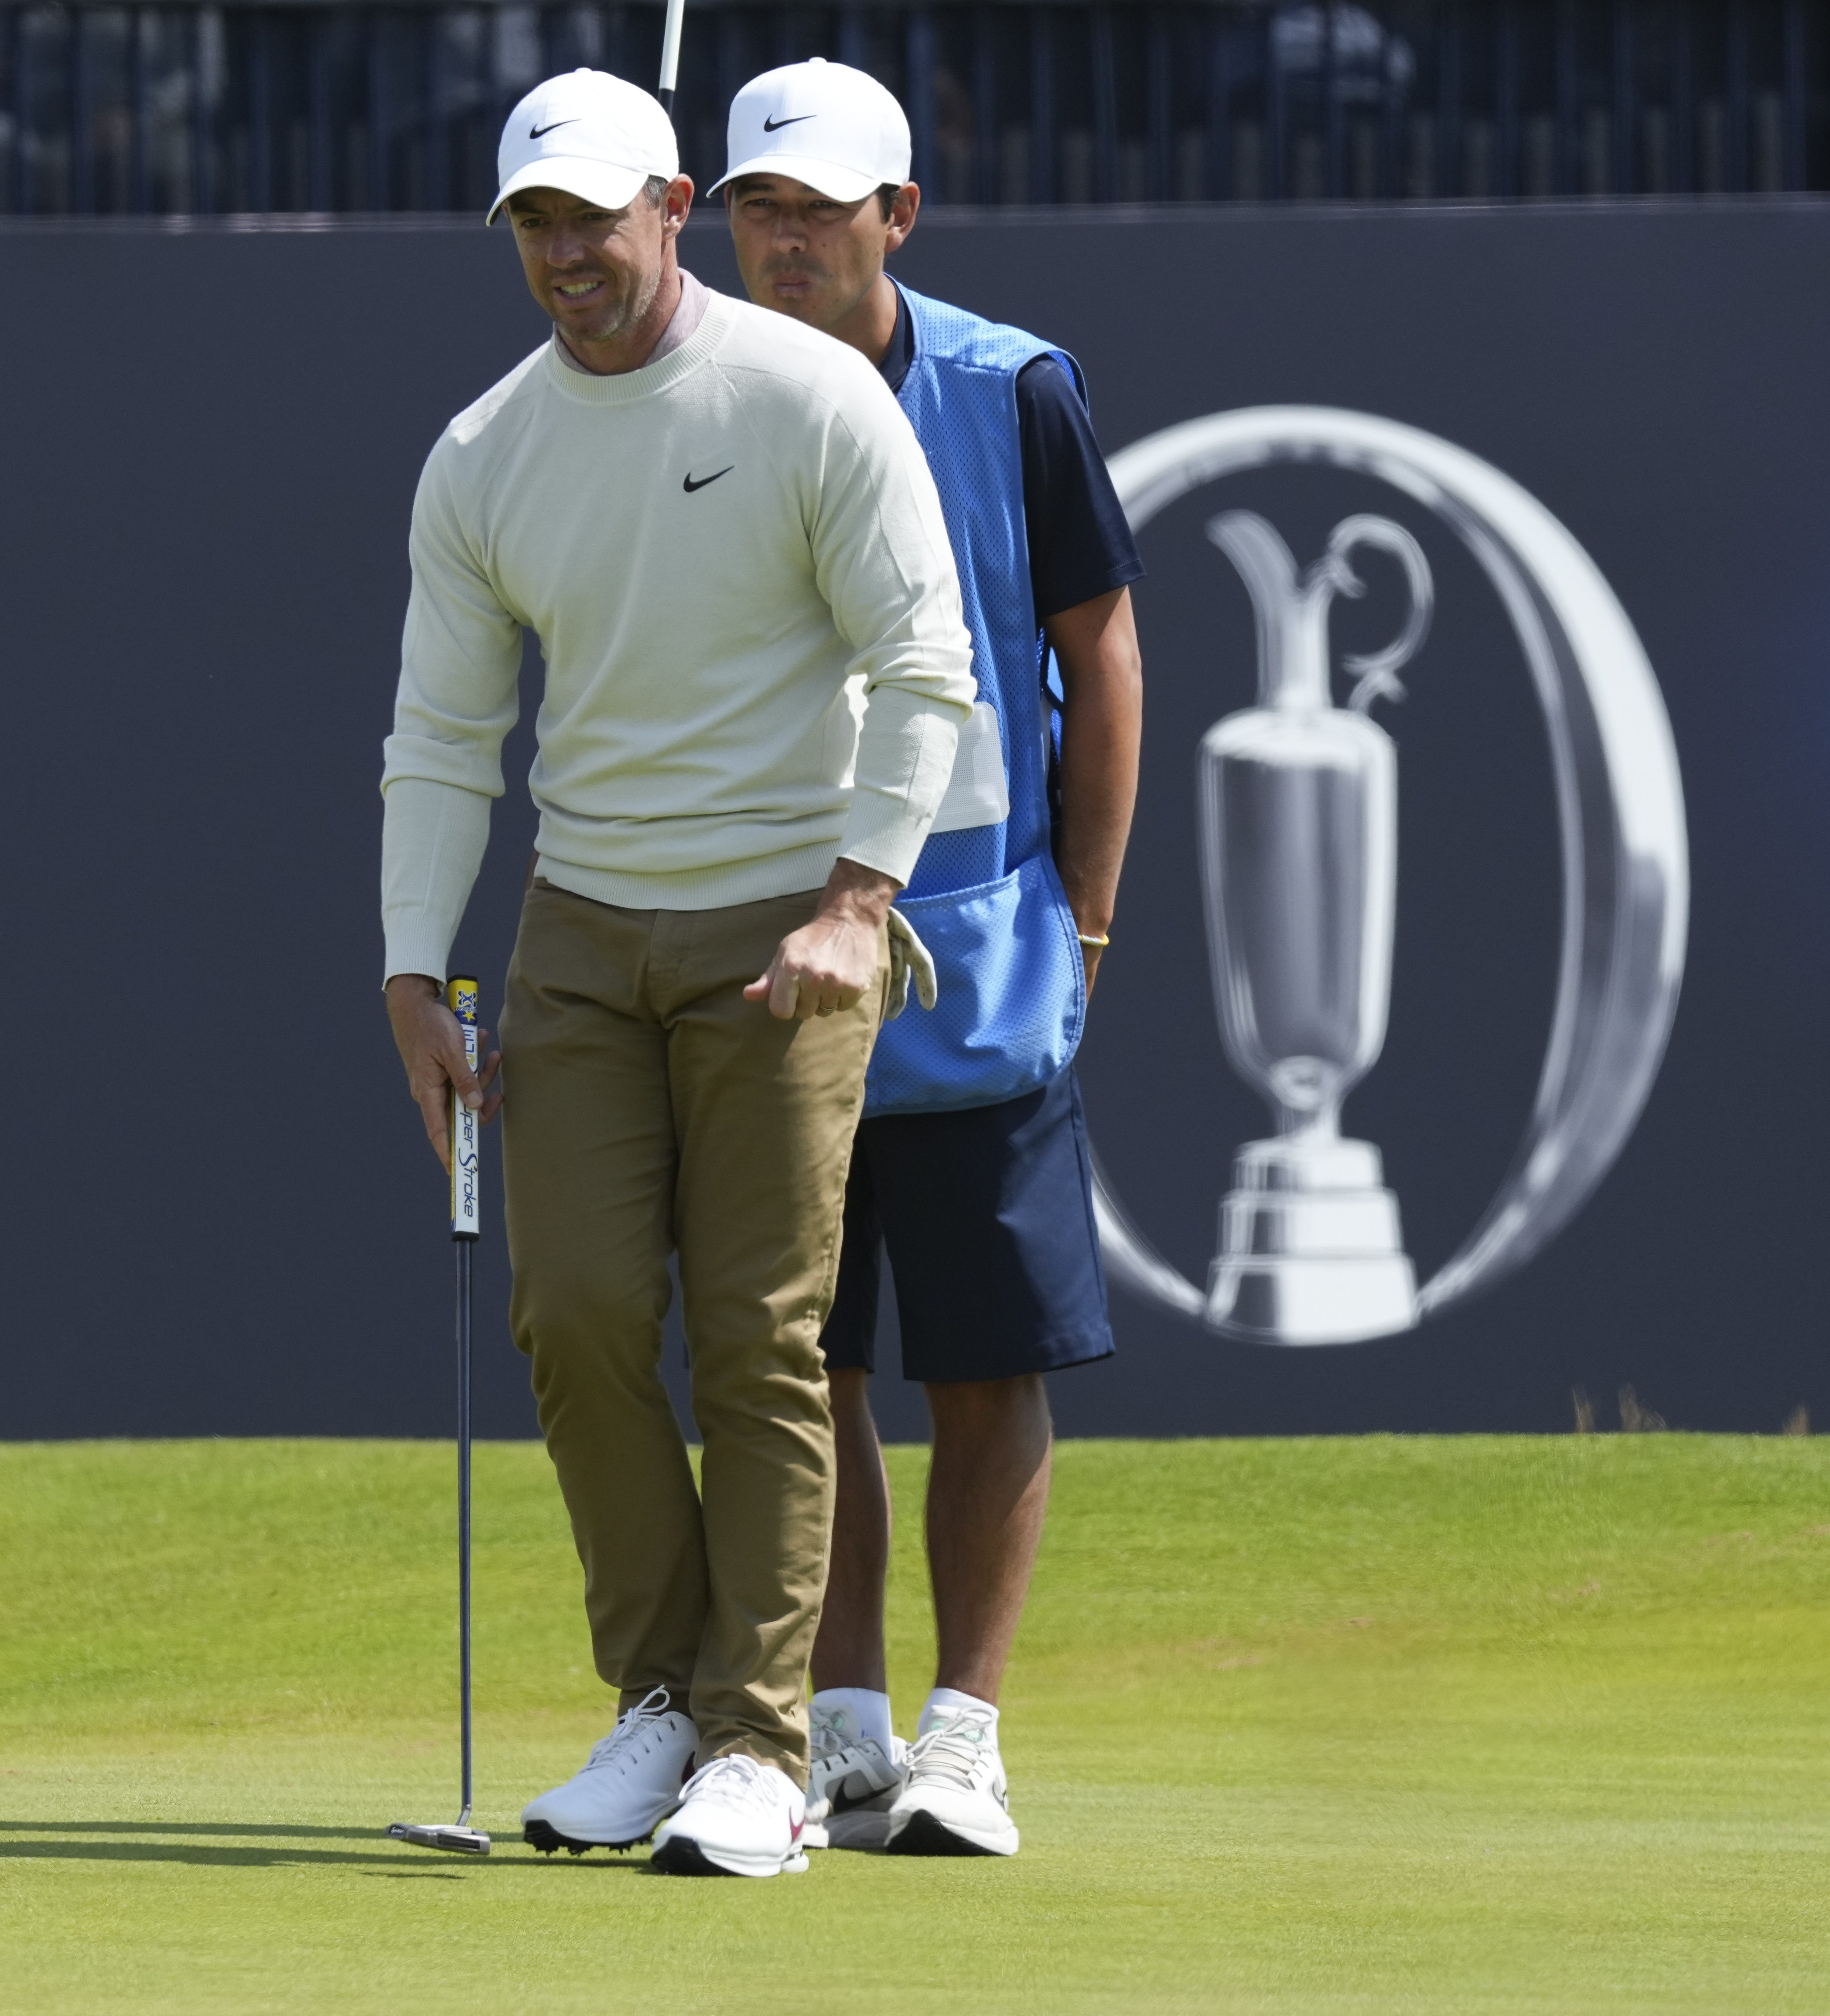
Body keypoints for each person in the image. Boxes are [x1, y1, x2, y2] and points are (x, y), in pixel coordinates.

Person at [377, 66, 977, 1879]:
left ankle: (759, 1749)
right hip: (580, 933)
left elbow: (927, 663)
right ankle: (659, 1702)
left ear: (676, 203)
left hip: (787, 925)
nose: (568, 256)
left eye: (596, 217)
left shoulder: (804, 397)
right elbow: (441, 737)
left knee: (759, 1337)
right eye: (534, 227)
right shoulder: (484, 454)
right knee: (566, 1308)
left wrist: (856, 901)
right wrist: (415, 974)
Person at [715, 59, 1147, 1859]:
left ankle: (965, 1736)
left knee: (986, 1358)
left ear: (902, 215)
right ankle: (837, 1726)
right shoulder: (676, 388)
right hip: (753, 950)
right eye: (756, 205)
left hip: (976, 949)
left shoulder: (1009, 386)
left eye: (821, 206)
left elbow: (1102, 649)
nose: (786, 236)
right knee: (799, 1368)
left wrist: (1091, 916)